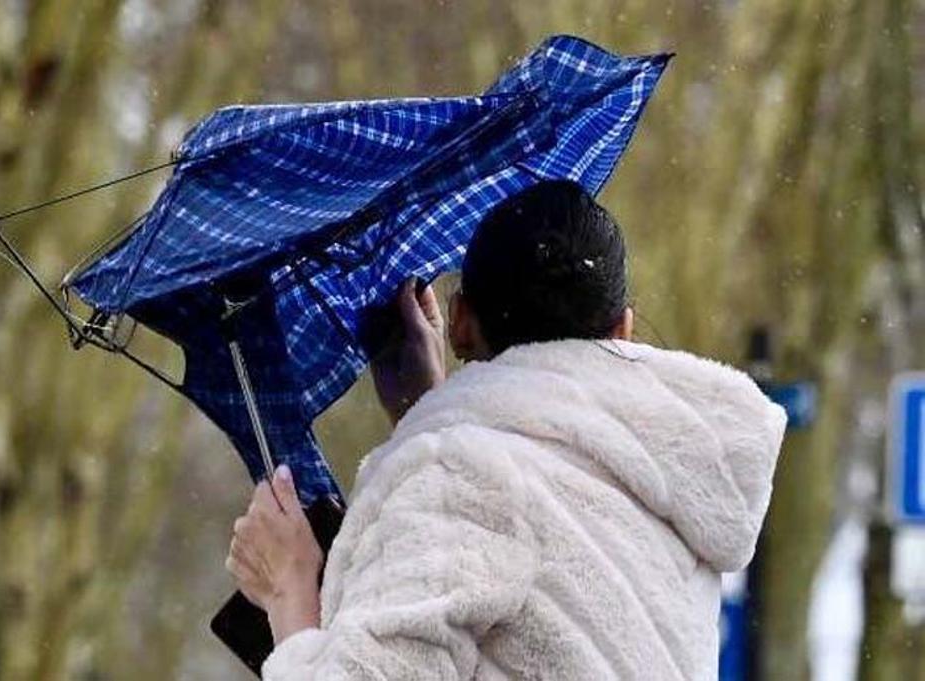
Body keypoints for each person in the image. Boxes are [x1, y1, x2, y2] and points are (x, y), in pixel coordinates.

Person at [225, 179, 786, 680]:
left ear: (462, 322)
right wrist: (428, 410)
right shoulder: (665, 484)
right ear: (624, 329)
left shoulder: (460, 481)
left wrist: (289, 591)